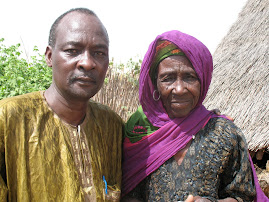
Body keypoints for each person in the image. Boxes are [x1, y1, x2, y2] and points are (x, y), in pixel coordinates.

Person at [122, 30, 268, 201]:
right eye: (167, 78)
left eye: (189, 77)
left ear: (203, 80)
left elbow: (243, 196)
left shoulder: (224, 133)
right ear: (155, 84)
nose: (179, 89)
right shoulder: (139, 134)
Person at [0, 8, 124, 201]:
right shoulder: (8, 119)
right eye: (72, 51)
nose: (87, 63)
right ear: (49, 56)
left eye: (99, 53)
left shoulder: (112, 126)